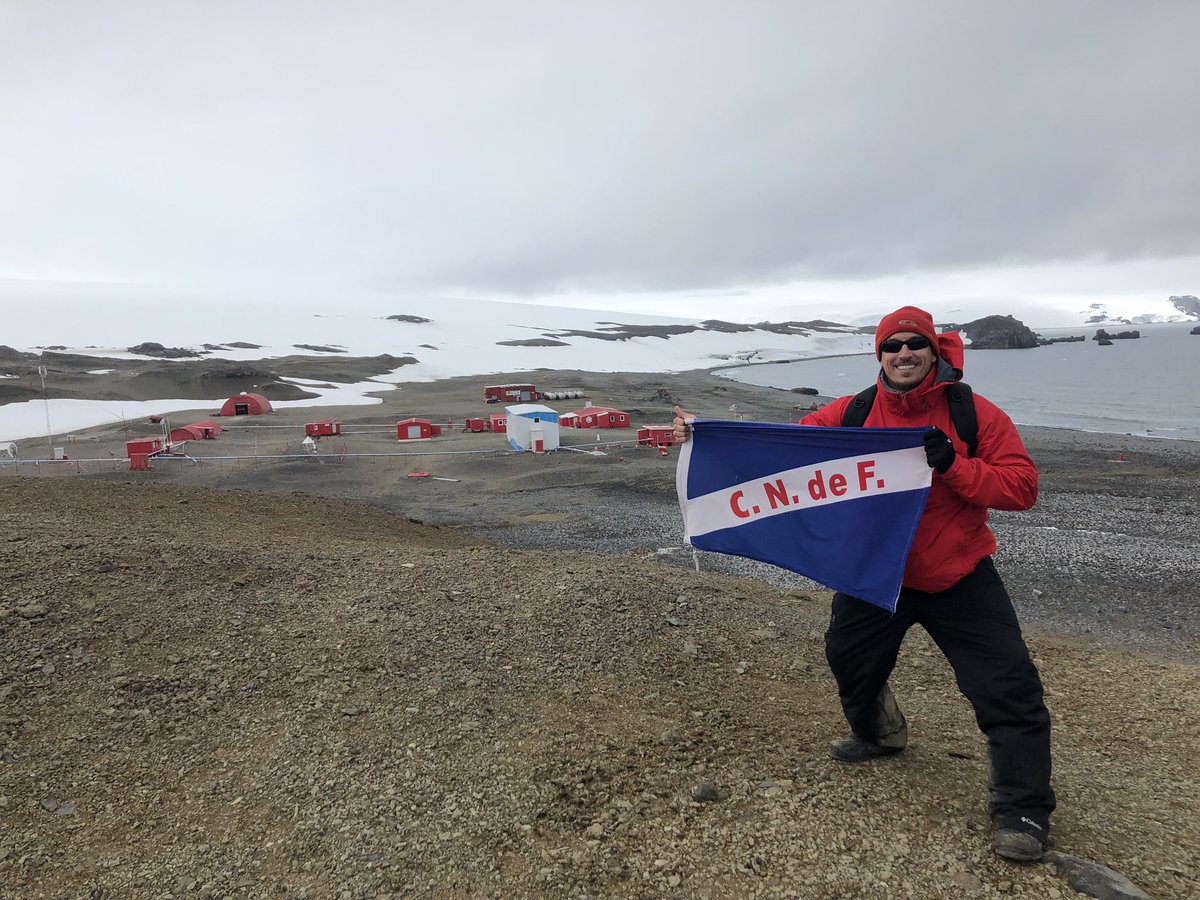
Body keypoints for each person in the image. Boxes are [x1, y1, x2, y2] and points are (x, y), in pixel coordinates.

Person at [672, 306, 1055, 863]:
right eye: (892, 345)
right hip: (875, 572)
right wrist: (705, 437)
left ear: (933, 352)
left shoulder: (973, 415)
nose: (904, 353)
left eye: (914, 344)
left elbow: (1022, 487)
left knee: (1007, 687)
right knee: (850, 661)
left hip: (958, 573)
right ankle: (880, 733)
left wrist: (953, 465)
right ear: (880, 355)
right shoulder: (853, 412)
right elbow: (780, 450)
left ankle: (1022, 807)